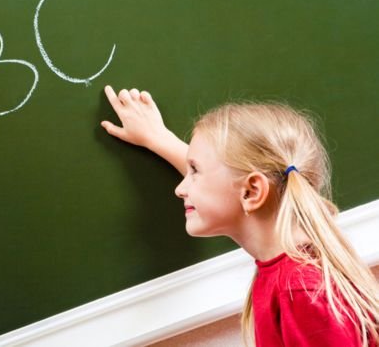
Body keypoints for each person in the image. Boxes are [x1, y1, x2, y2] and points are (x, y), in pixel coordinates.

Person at [101, 86, 378, 347]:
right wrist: (157, 138)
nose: (180, 189)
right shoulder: (295, 267)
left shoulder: (301, 293)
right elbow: (229, 183)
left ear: (252, 192)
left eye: (194, 170)